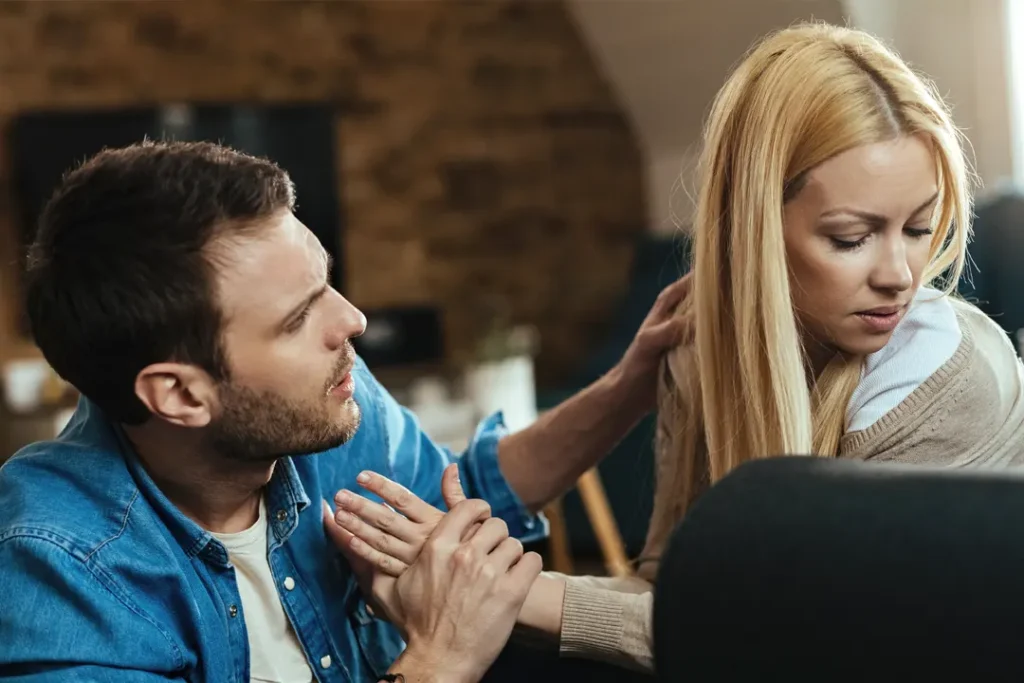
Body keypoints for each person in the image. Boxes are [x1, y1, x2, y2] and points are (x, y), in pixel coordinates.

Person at [325, 21, 1024, 675]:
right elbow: (672, 585)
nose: (899, 274)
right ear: (755, 226)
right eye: (851, 236)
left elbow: (816, 633)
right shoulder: (698, 356)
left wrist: (509, 589)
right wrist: (463, 596)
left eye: (919, 227)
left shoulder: (950, 375)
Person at [0, 141, 688, 682]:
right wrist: (440, 660)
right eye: (300, 317)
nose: (352, 321)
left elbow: (458, 502)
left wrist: (632, 381)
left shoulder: (316, 413)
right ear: (180, 394)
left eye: (327, 282)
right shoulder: (60, 568)